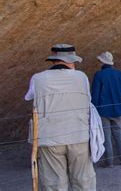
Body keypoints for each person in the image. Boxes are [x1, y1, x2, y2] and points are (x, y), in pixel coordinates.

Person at [24, 44, 96, 190]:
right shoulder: (81, 77)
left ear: (54, 59)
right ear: (70, 60)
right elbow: (88, 98)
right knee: (83, 180)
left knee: (54, 182)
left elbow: (29, 97)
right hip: (78, 134)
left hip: (50, 137)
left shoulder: (38, 78)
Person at [91, 51, 121, 167]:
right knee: (119, 134)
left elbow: (95, 94)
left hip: (103, 109)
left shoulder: (99, 75)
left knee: (106, 137)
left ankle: (109, 161)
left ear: (102, 62)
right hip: (117, 108)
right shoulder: (118, 73)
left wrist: (94, 109)